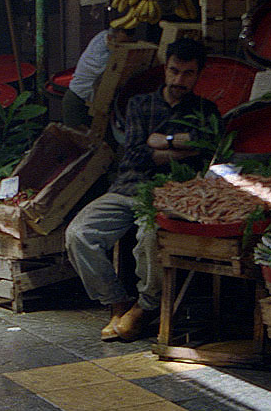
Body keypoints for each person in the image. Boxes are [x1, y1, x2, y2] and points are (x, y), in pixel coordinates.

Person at [65, 37, 215, 343]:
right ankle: (116, 302)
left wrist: (161, 141)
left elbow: (206, 152)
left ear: (198, 74)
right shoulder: (140, 105)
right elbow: (134, 155)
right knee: (79, 234)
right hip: (129, 187)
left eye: (187, 74)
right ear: (165, 68)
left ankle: (144, 308)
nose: (179, 80)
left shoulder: (206, 110)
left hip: (172, 194)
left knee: (150, 238)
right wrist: (181, 145)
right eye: (174, 71)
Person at [62, 26, 129, 129]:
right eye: (121, 43)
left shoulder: (104, 37)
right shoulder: (101, 49)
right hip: (77, 101)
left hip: (92, 103)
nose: (122, 46)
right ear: (111, 37)